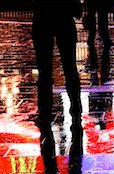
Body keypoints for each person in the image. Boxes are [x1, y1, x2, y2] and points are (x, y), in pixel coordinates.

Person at [32, 0, 83, 128]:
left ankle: (45, 112)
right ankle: (76, 108)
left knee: (44, 70)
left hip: (43, 17)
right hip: (64, 17)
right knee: (70, 67)